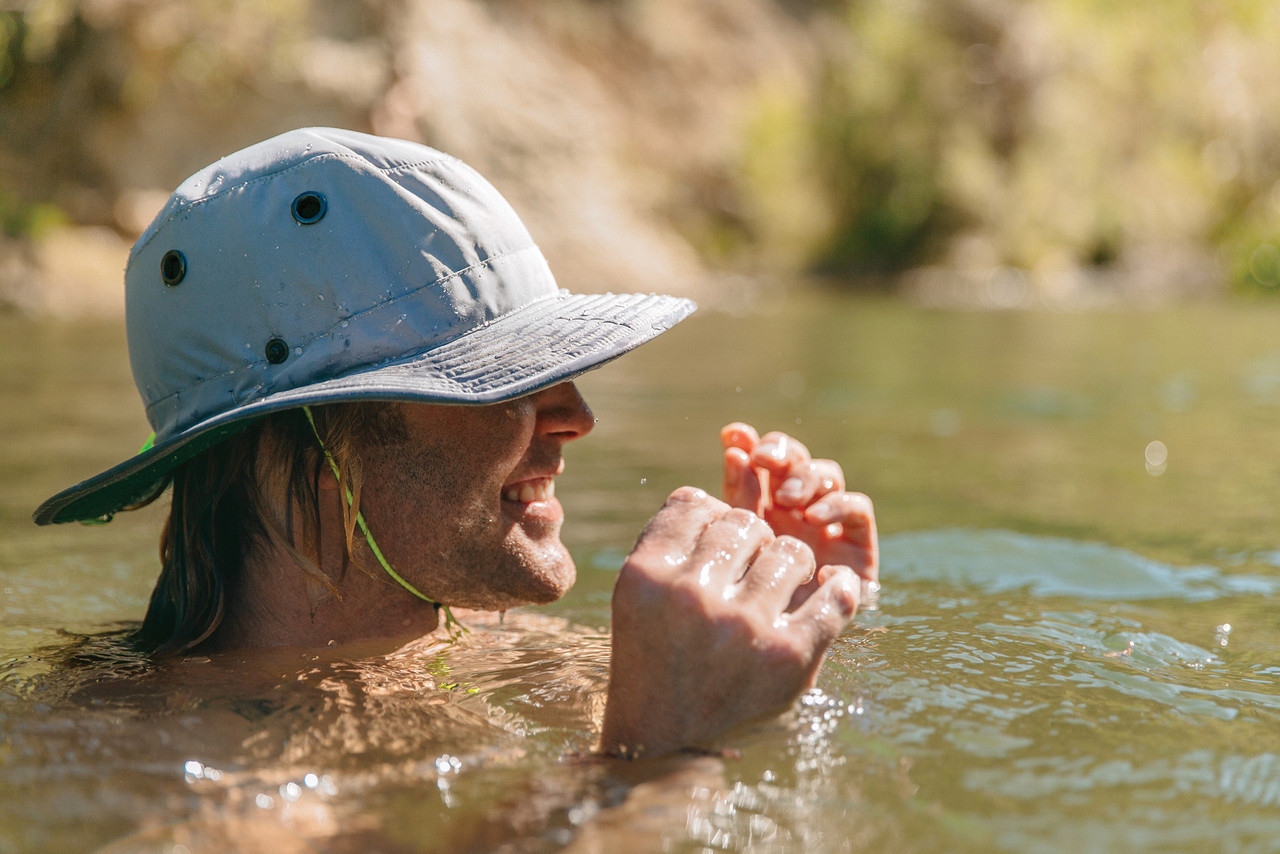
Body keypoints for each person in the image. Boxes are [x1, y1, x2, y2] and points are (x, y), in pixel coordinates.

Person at [34, 127, 878, 759]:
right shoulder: (167, 758)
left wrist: (803, 617)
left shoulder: (498, 645)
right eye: (504, 380)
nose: (576, 416)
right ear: (301, 449)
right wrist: (657, 764)